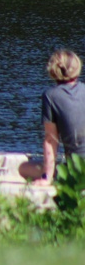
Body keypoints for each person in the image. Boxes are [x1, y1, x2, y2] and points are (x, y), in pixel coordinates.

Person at [19, 50, 85, 185]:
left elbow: (51, 140)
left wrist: (47, 176)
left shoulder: (51, 96)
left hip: (79, 169)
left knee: (23, 168)